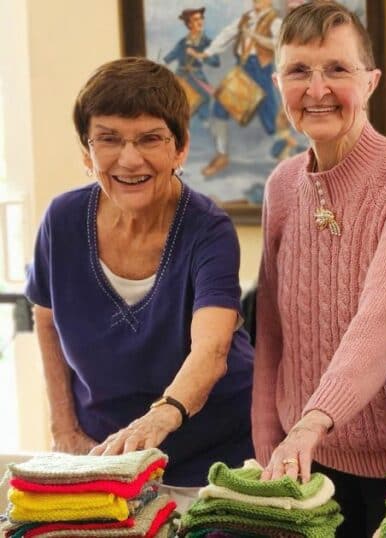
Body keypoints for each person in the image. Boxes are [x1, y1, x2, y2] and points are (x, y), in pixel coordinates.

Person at [25, 57, 254, 505]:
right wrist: (64, 429)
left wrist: (161, 417)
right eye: (108, 139)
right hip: (104, 456)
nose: (130, 159)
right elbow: (46, 318)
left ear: (180, 148)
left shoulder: (209, 228)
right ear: (87, 153)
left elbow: (213, 349)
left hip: (212, 459)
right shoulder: (62, 220)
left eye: (150, 138)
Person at [251, 3, 386, 537]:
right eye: (298, 71)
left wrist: (312, 422)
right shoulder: (282, 186)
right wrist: (271, 452)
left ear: (371, 80)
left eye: (337, 69)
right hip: (306, 464)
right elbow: (271, 336)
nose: (317, 89)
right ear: (277, 84)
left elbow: (381, 320)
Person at [195, 0, 286, 176]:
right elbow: (227, 34)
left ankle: (285, 161)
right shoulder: (246, 18)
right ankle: (222, 155)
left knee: (270, 119)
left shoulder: (276, 21)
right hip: (243, 69)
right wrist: (207, 52)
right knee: (219, 110)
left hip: (261, 71)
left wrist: (255, 36)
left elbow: (280, 44)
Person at [163, 7, 219, 122]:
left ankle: (204, 124)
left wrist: (198, 55)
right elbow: (169, 57)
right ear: (189, 24)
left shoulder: (207, 43)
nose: (200, 22)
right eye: (195, 19)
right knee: (176, 103)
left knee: (205, 97)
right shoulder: (183, 42)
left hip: (197, 77)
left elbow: (216, 62)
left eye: (201, 19)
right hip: (181, 77)